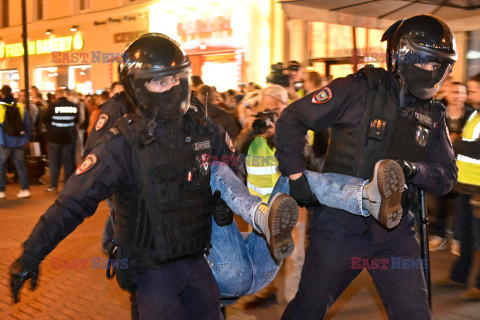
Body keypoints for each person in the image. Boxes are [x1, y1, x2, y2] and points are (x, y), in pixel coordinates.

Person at [276, 14, 458, 320]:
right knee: (308, 310)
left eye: (439, 65)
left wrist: (413, 170)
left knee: (415, 314)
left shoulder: (433, 114)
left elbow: (447, 176)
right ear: (403, 56)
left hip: (395, 233)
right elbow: (292, 118)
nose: (433, 72)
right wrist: (296, 176)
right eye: (427, 62)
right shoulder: (358, 89)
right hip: (340, 228)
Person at [436, 73, 480, 301]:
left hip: (478, 188)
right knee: (464, 235)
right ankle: (459, 277)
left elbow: (476, 148)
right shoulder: (475, 115)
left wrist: (458, 142)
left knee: (478, 238)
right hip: (465, 185)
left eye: (473, 90)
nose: (469, 95)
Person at [43, 88, 79, 193]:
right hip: (68, 137)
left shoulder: (53, 105)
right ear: (65, 94)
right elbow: (76, 121)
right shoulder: (74, 106)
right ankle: (67, 186)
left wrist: (50, 128)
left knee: (54, 162)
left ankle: (53, 186)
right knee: (67, 163)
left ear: (57, 95)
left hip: (54, 137)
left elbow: (44, 118)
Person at [0, 85, 31, 199]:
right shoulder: (21, 107)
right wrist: (26, 139)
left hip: (4, 142)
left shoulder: (0, 107)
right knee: (20, 165)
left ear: (2, 94)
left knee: (1, 166)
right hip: (19, 142)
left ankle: (1, 191)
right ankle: (25, 189)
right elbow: (27, 125)